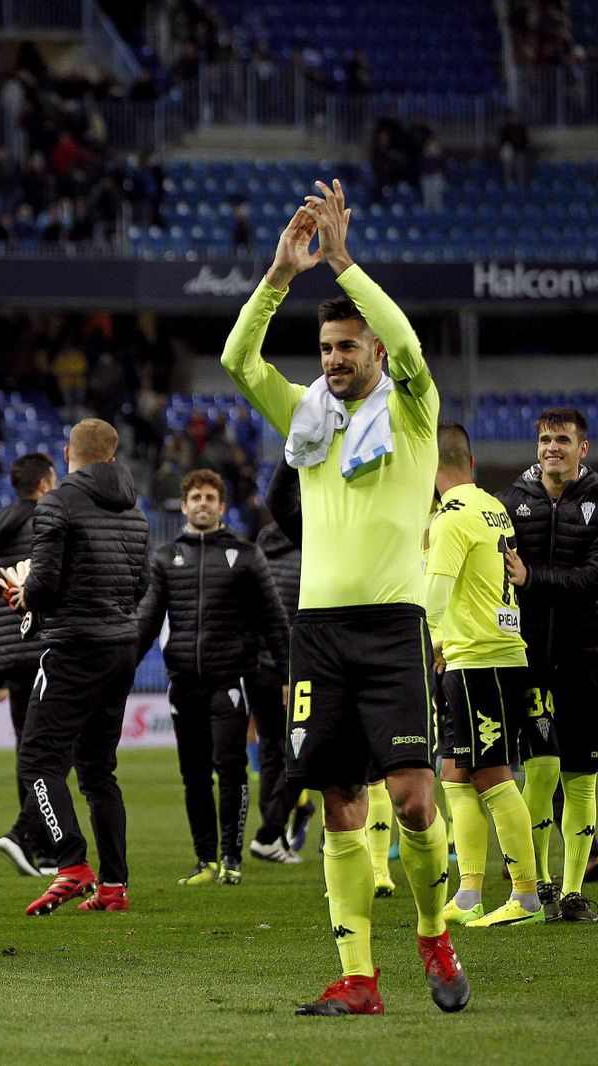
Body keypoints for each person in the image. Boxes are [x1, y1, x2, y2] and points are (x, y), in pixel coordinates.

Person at [221, 180, 467, 1016]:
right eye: (326, 347)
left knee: (412, 799)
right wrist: (279, 278)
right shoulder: (305, 420)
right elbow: (237, 361)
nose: (333, 359)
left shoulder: (415, 414)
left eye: (347, 348)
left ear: (375, 355)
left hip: (394, 627)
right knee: (338, 804)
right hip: (317, 634)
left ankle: (434, 931)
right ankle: (359, 980)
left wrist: (347, 264)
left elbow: (409, 340)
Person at [0, 419, 148, 916]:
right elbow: (141, 584)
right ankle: (114, 886)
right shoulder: (135, 509)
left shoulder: (56, 503)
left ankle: (72, 864)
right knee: (100, 770)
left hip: (74, 647)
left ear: (67, 453)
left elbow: (45, 580)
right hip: (121, 646)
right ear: (112, 455)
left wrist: (25, 594)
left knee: (38, 759)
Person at [135, 469, 288, 886]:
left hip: (230, 681)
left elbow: (274, 621)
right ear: (184, 506)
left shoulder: (246, 555)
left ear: (222, 507)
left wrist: (290, 675)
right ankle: (204, 860)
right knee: (194, 774)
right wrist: (119, 668)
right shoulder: (166, 558)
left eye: (209, 498)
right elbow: (147, 621)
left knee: (231, 767)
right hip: (183, 682)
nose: (202, 504)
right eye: (195, 498)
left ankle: (231, 857)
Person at [428, 422, 543, 928]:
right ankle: (469, 892)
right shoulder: (492, 506)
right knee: (454, 772)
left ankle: (527, 896)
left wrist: (429, 642)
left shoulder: (448, 519)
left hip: (480, 658)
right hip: (478, 653)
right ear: (470, 462)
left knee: (492, 774)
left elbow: (435, 591)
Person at [498, 406, 598, 922]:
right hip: (530, 658)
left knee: (582, 776)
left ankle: (575, 890)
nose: (551, 448)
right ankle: (536, 885)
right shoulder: (513, 503)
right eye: (544, 440)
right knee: (539, 771)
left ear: (583, 447)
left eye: (562, 439)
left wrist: (533, 578)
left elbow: (593, 576)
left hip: (585, 658)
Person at [0, 453, 60, 877]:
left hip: (10, 654)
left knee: (28, 751)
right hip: (49, 646)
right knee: (57, 750)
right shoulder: (53, 523)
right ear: (46, 483)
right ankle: (37, 840)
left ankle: (37, 843)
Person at [249, 463, 308, 861]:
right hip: (297, 668)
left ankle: (274, 835)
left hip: (257, 667)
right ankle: (271, 831)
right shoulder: (313, 550)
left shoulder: (260, 548)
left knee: (272, 751)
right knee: (302, 753)